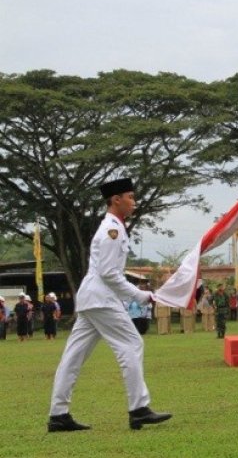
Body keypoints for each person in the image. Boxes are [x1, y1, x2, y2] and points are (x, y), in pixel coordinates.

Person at [48, 178, 171, 432]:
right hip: (102, 298)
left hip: (93, 298)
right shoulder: (111, 231)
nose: (133, 202)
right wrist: (140, 295)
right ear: (116, 200)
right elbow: (109, 273)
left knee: (72, 357)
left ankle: (58, 415)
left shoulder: (114, 227)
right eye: (130, 196)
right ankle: (139, 409)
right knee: (132, 344)